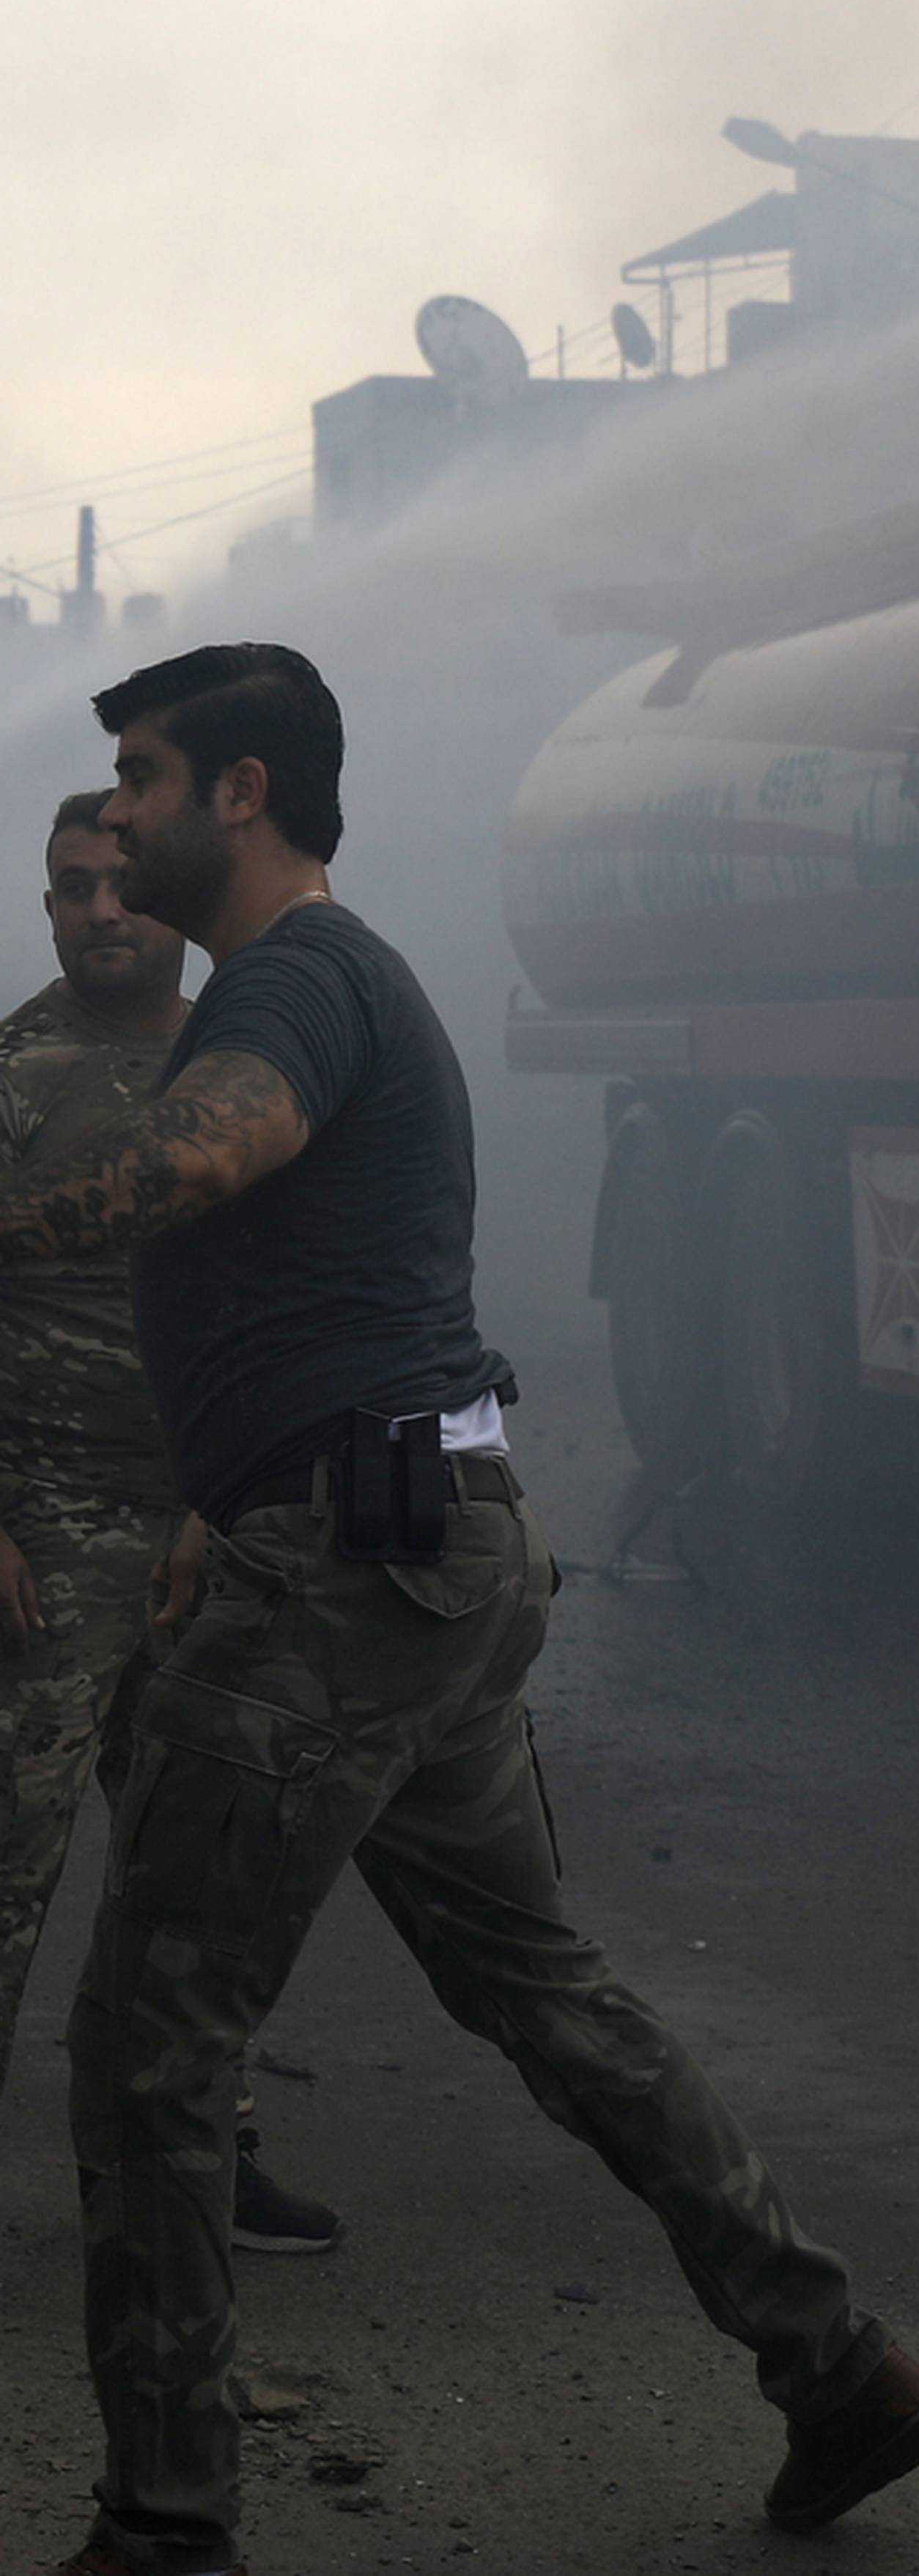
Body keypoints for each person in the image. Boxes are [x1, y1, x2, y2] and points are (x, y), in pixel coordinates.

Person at [6, 644, 919, 2576]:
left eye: (139, 777)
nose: (111, 820)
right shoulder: (318, 979)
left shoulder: (297, 986)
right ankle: (839, 2362)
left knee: (152, 2039)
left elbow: (213, 1156)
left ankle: (167, 2520)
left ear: (244, 792)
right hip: (414, 1537)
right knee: (537, 1980)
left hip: (342, 1574)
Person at [0, 790, 341, 2256]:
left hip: (205, 1534)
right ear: (49, 905)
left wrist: (236, 1498)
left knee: (194, 1881)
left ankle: (201, 2160)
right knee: (9, 1865)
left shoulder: (240, 1060)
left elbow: (273, 1295)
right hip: (45, 1539)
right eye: (71, 888)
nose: (100, 912)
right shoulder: (15, 1073)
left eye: (124, 885)